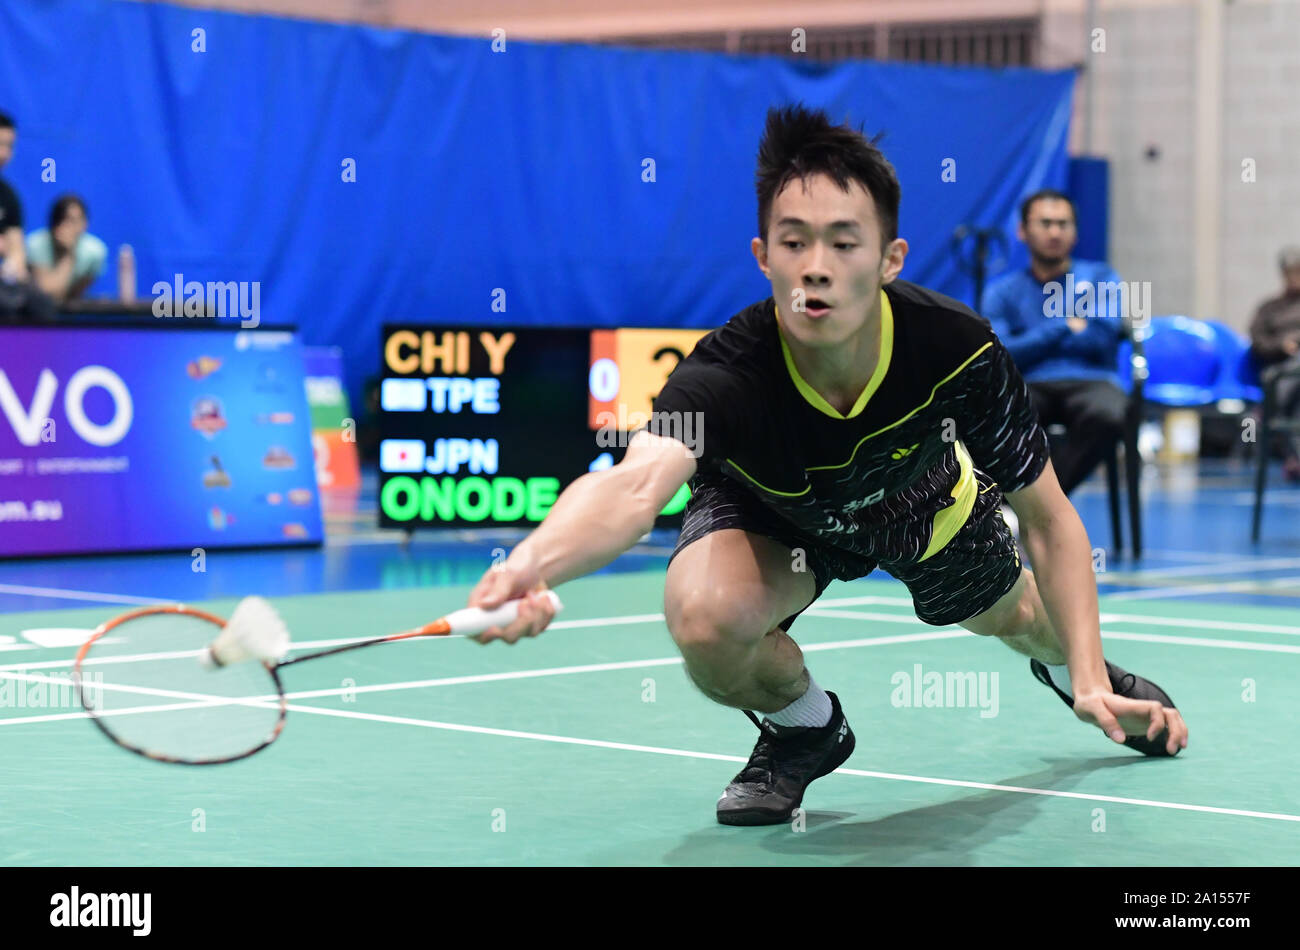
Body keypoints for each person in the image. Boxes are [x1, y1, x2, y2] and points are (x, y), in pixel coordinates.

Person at [461, 105, 1187, 826]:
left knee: (1025, 619)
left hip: (920, 503)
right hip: (778, 515)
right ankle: (806, 729)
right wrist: (531, 564)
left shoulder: (956, 351)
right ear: (762, 255)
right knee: (705, 620)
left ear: (889, 258)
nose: (816, 268)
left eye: (844, 243)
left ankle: (1072, 673)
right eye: (794, 242)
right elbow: (633, 483)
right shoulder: (722, 376)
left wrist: (1089, 679)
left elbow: (1051, 520)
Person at [981, 190, 1128, 498]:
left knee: (1110, 415)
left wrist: (1033, 341)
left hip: (1092, 381)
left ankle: (1045, 507)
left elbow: (1102, 339)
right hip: (1029, 383)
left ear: (1074, 232)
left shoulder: (1101, 278)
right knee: (995, 416)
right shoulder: (1003, 292)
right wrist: (1065, 325)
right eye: (1045, 223)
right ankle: (1020, 510)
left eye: (1064, 224)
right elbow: (1005, 353)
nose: (1055, 232)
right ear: (1022, 231)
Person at [1248, 246, 1300, 481]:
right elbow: (1257, 342)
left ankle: (1270, 405)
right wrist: (1282, 346)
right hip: (1277, 369)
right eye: (1291, 272)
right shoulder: (1269, 309)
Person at [26, 194, 108, 305]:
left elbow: (73, 294)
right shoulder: (35, 244)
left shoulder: (95, 252)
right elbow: (49, 295)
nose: (67, 227)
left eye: (74, 221)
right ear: (53, 224)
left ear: (85, 223)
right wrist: (68, 255)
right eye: (63, 220)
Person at [0, 111, 27, 283]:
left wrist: (14, 266)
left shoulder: (9, 196)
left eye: (9, 146)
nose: (4, 153)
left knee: (40, 302)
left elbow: (17, 251)